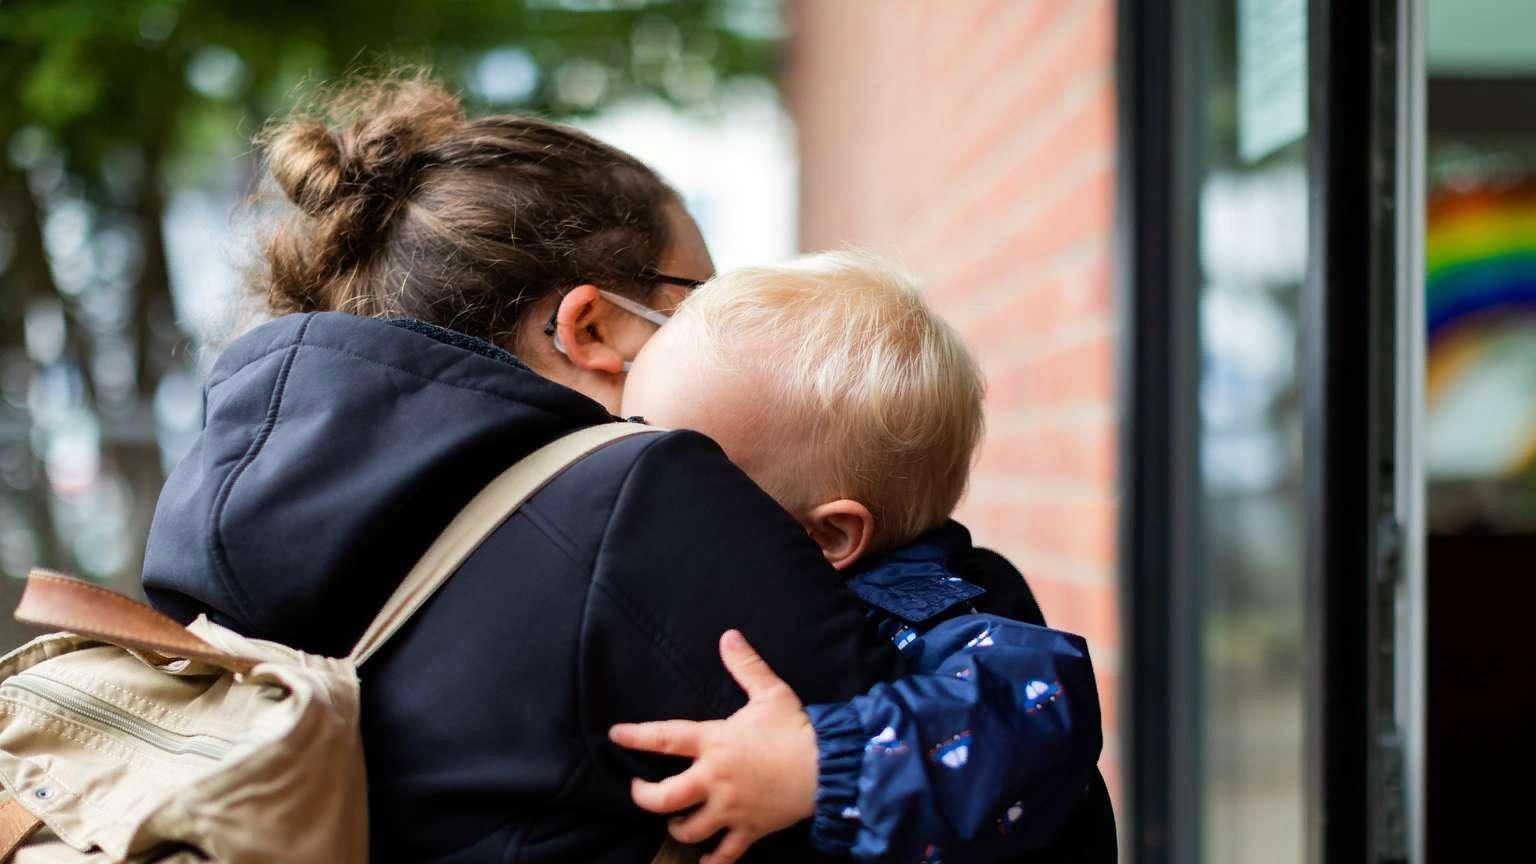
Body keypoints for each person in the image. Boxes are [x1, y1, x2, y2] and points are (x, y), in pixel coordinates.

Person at [138, 74, 1109, 863]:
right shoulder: (653, 502)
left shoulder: (240, 529)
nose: (723, 316)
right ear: (594, 326)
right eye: (704, 290)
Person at [610, 253, 1103, 862]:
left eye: (673, 475)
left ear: (830, 537)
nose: (629, 488)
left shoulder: (938, 621)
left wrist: (820, 765)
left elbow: (1036, 705)